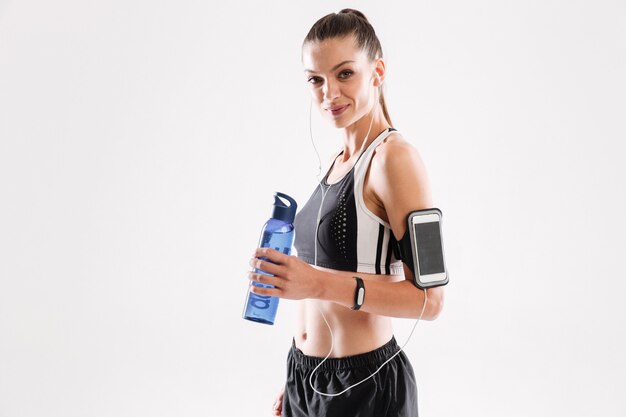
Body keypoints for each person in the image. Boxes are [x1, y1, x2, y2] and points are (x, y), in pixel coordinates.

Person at [247, 8, 445, 417]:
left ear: (377, 71)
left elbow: (431, 300)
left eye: (344, 74)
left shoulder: (397, 160)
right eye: (315, 80)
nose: (328, 94)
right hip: (307, 380)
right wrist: (298, 380)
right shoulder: (337, 161)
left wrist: (315, 283)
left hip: (365, 390)